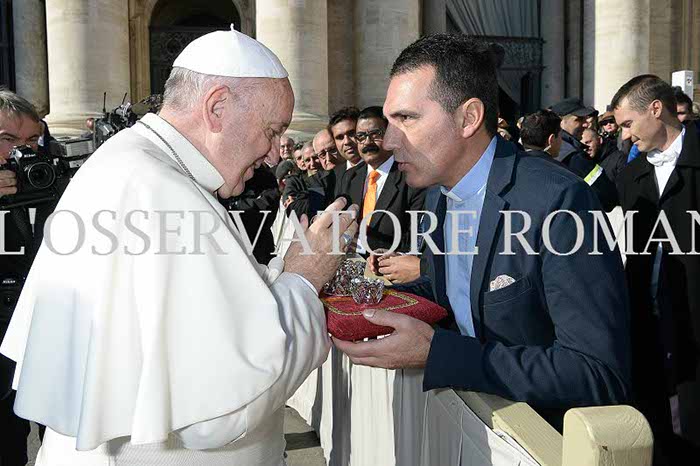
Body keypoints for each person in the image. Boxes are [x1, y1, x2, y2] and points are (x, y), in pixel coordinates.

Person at [0, 29, 358, 465]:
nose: (271, 154)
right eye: (271, 130)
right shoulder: (162, 192)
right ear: (217, 107)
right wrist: (305, 277)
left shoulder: (132, 164)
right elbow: (223, 408)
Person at [334, 34, 631, 431]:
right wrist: (358, 304)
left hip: (539, 440)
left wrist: (440, 354)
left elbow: (597, 373)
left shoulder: (557, 201)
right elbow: (451, 294)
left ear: (468, 118)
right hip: (467, 430)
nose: (388, 140)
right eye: (390, 122)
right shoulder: (438, 195)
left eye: (406, 119)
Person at [613, 74, 700, 465]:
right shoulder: (630, 175)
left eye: (628, 123)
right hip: (646, 317)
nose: (625, 135)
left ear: (655, 109)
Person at [0, 88, 55, 466]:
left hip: (47, 334)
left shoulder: (49, 182)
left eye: (32, 140)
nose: (21, 151)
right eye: (7, 139)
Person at [340, 106, 425, 255]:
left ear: (390, 135)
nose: (367, 142)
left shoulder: (411, 177)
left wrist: (366, 248)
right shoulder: (350, 177)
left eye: (375, 134)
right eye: (361, 136)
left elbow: (415, 240)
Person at [551, 98, 618, 211]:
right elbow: (608, 197)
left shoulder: (548, 150)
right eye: (578, 119)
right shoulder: (573, 157)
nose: (586, 124)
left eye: (585, 119)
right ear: (561, 122)